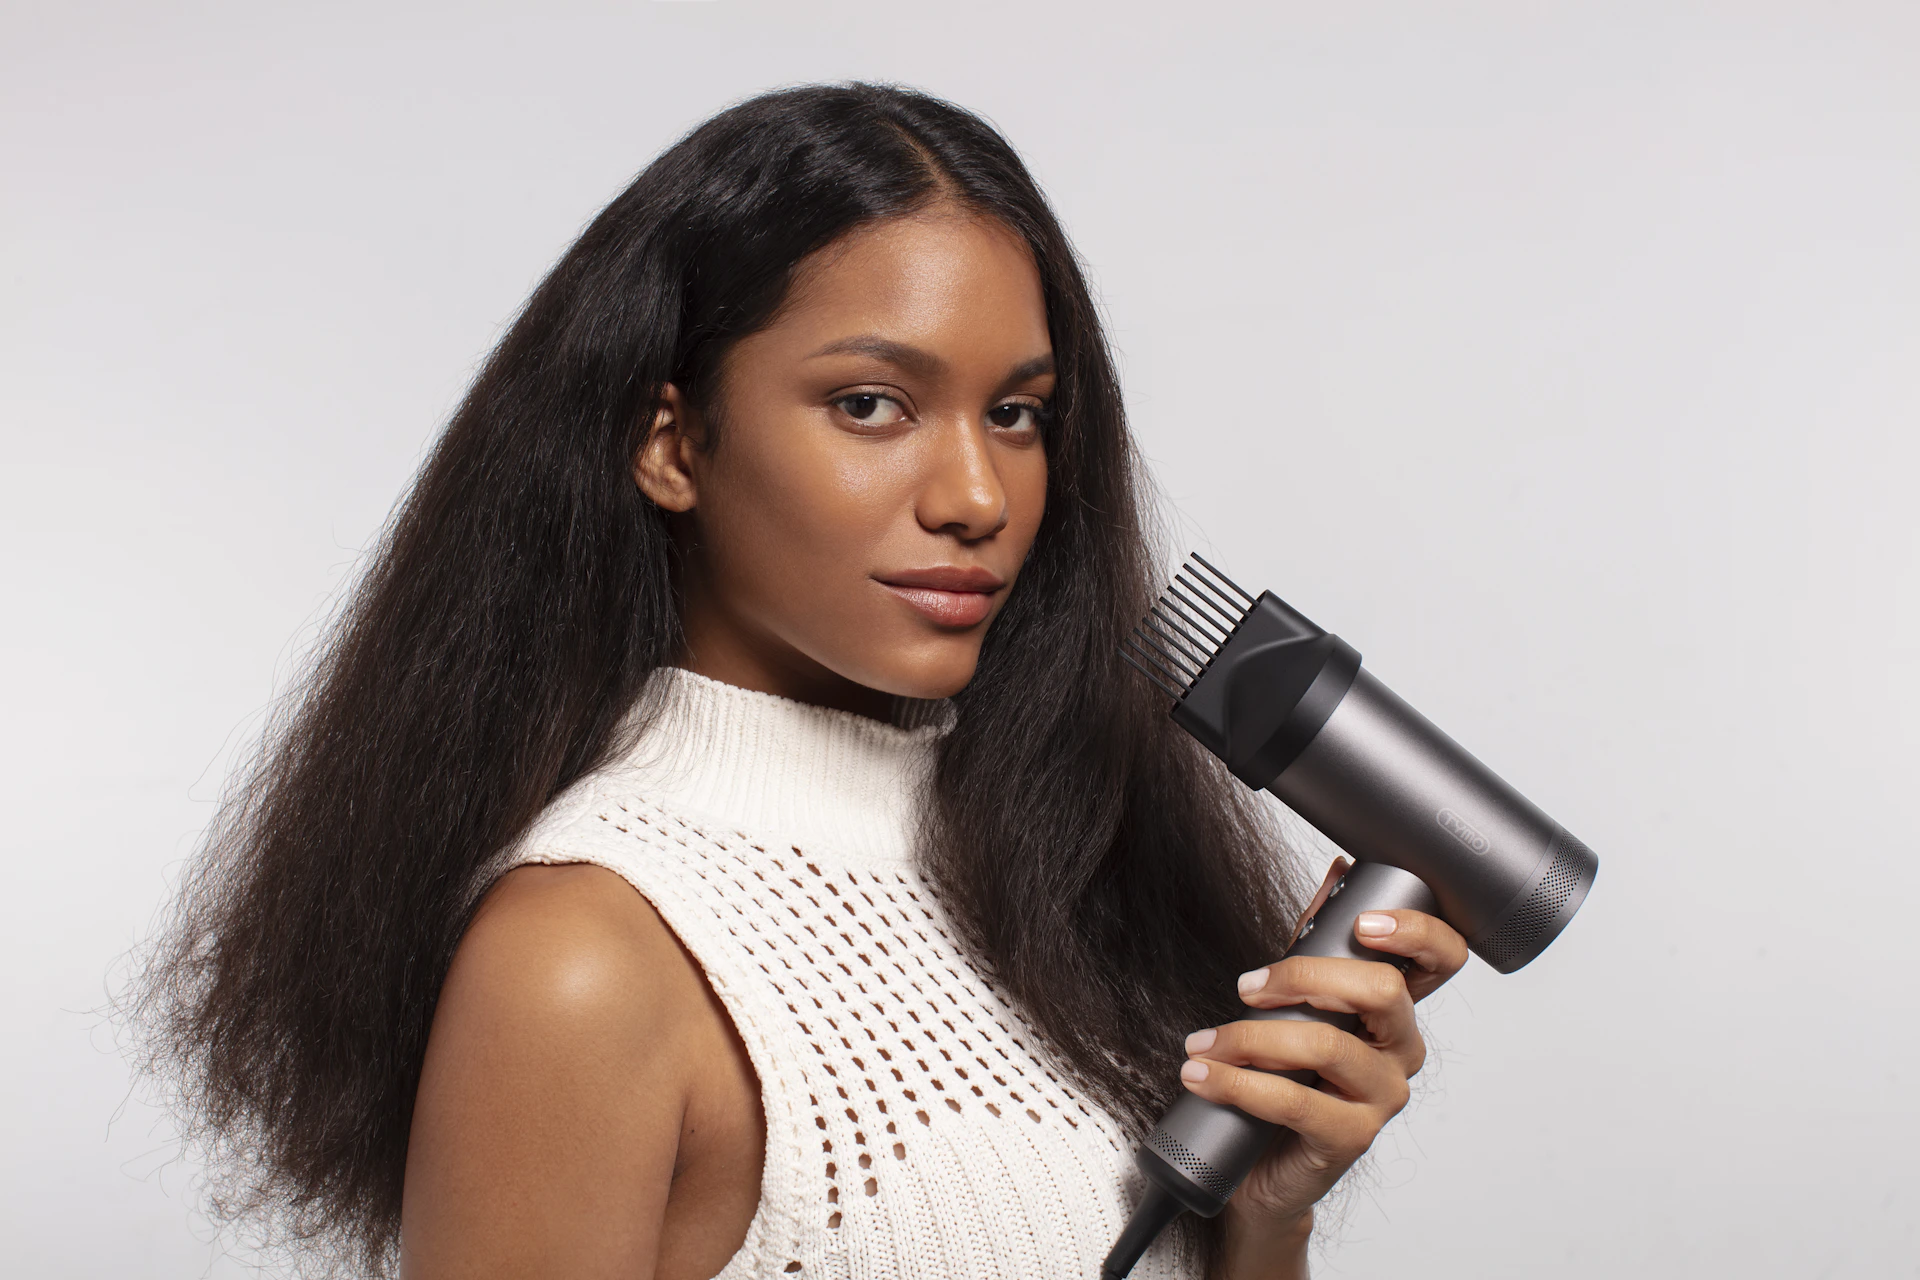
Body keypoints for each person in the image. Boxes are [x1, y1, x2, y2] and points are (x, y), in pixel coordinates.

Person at [131, 83, 1468, 1279]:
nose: (976, 495)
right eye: (872, 406)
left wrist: (1266, 1220)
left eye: (1016, 414)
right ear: (672, 444)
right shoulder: (586, 961)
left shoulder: (1059, 880)